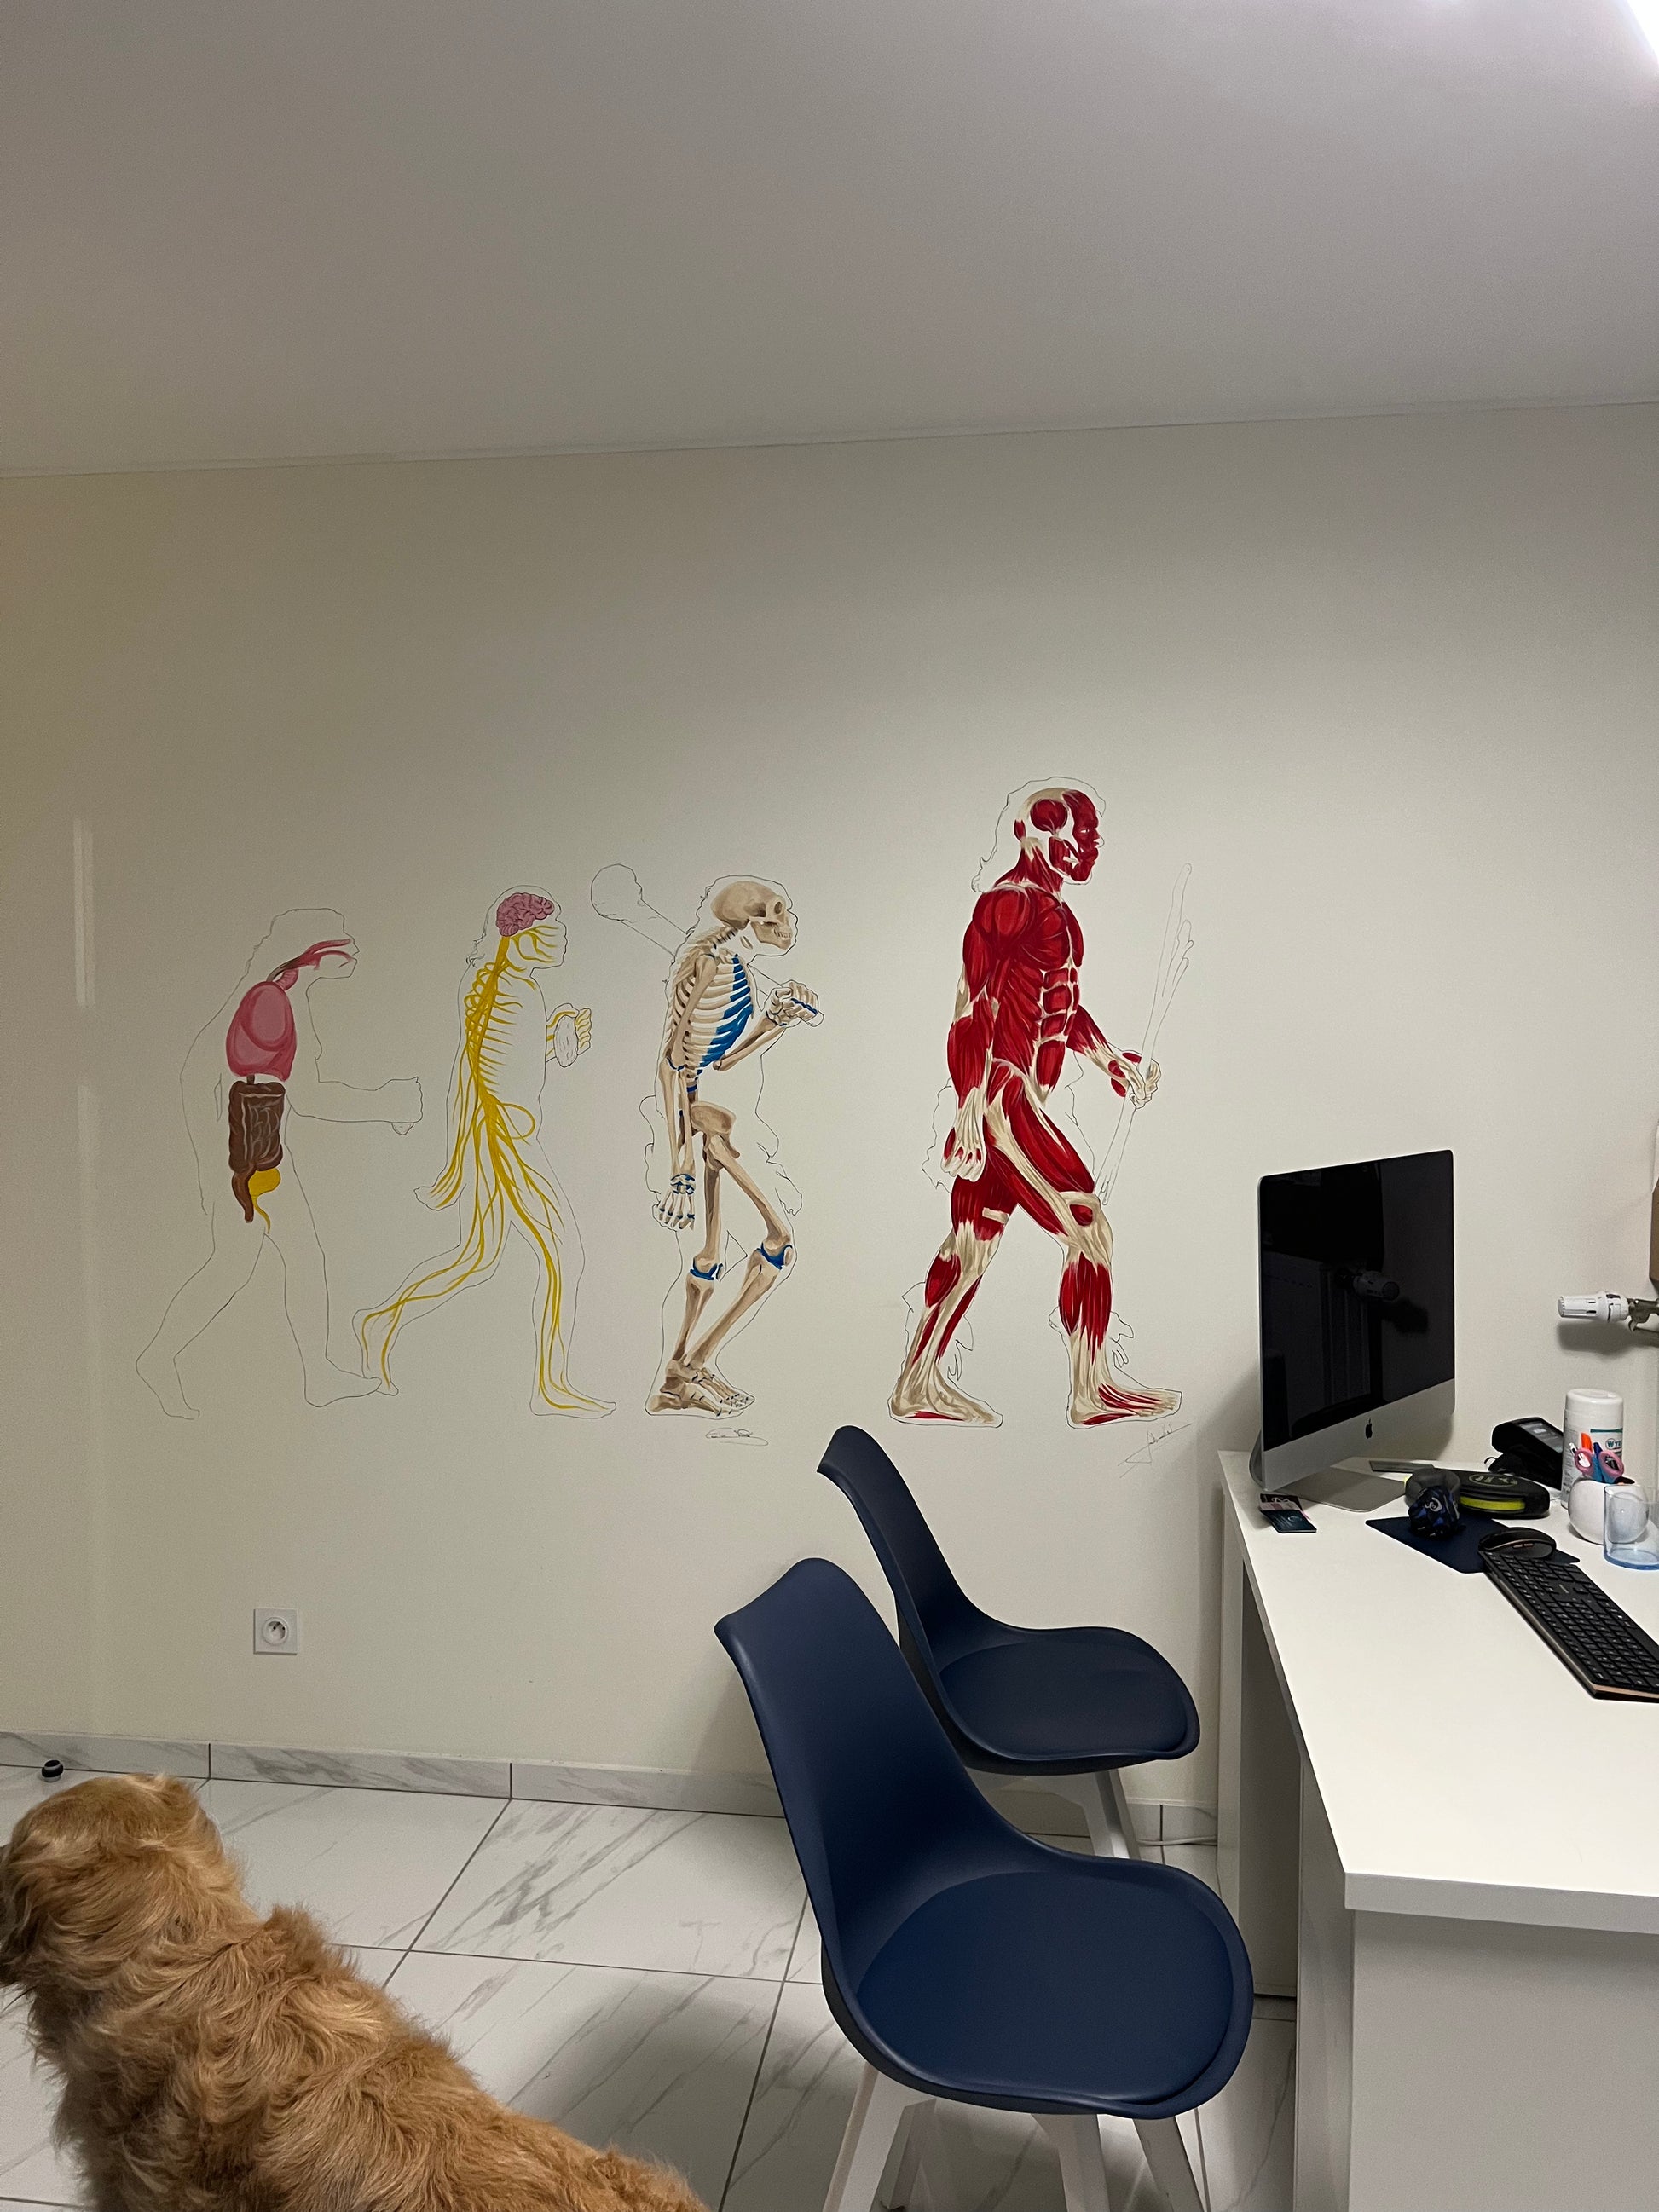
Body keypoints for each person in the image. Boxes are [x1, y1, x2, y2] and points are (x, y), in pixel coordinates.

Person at [891, 788, 1179, 1427]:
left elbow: (1061, 1007)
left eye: (1086, 831)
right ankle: (1090, 1389)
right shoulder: (1007, 904)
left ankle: (915, 1384)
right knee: (1090, 1230)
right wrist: (970, 1105)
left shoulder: (1059, 916)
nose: (1081, 844)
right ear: (1029, 832)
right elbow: (971, 1008)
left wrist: (1111, 1061)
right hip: (1003, 1097)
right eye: (1065, 829)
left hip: (1009, 1097)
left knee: (972, 1244)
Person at [137, 911, 420, 1418]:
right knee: (253, 1265)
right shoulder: (272, 1002)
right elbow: (304, 1095)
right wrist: (390, 1104)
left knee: (273, 1261)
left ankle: (314, 1373)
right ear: (314, 952)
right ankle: (164, 1358)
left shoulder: (278, 995)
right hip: (249, 1165)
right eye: (344, 942)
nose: (354, 951)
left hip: (249, 1159)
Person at [358, 889, 609, 1418]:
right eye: (551, 930)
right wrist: (515, 1123)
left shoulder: (507, 987)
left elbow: (505, 1060)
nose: (562, 938)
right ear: (522, 939)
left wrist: (557, 1036)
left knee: (476, 1257)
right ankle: (551, 1386)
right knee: (564, 1256)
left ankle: (381, 1321)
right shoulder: (511, 990)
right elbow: (497, 1074)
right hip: (507, 1137)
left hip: (497, 1134)